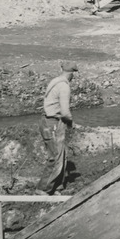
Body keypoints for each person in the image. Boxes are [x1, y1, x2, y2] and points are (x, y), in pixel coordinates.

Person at [38, 61, 78, 195]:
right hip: (53, 123)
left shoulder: (55, 81)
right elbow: (65, 112)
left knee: (62, 154)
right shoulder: (64, 87)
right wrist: (71, 123)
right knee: (55, 156)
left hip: (49, 121)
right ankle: (43, 188)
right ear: (72, 74)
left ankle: (57, 186)